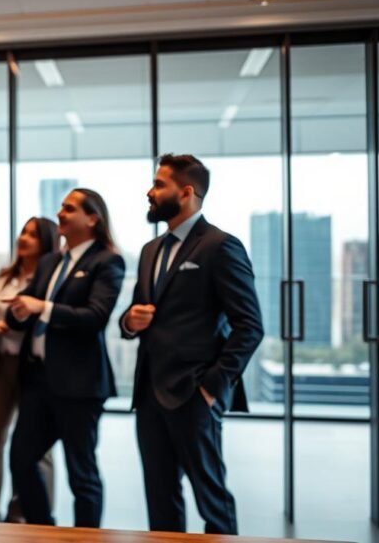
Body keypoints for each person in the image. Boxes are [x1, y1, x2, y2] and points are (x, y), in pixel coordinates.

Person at [120, 154, 263, 534]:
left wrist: (213, 388)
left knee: (212, 502)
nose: (149, 192)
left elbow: (249, 326)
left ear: (186, 192)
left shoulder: (220, 246)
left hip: (195, 396)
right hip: (150, 395)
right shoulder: (150, 251)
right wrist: (129, 322)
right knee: (160, 500)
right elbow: (134, 313)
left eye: (158, 184)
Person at [5, 189, 125, 527]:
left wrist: (40, 307)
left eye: (69, 208)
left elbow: (95, 317)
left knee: (81, 473)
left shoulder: (107, 261)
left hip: (80, 385)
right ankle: (45, 530)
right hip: (38, 381)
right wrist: (15, 310)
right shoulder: (50, 262)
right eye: (60, 207)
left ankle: (86, 537)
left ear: (92, 218)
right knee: (21, 460)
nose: (60, 213)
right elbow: (25, 307)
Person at [0, 217, 59, 523]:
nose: (24, 238)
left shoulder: (51, 277)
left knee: (37, 448)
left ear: (46, 242)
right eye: (23, 232)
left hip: (33, 368)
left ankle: (32, 511)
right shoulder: (2, 275)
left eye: (33, 235)